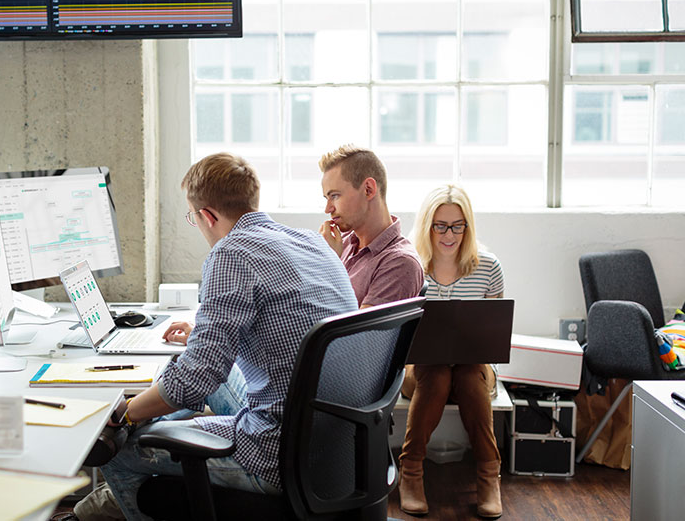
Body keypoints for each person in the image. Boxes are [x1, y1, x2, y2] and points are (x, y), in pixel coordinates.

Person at [74, 152, 358, 521]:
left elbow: (195, 379)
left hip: (278, 454)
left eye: (193, 218)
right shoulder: (310, 241)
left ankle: (107, 496)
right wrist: (202, 340)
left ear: (207, 215)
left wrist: (125, 414)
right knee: (173, 398)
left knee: (118, 450)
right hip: (338, 446)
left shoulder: (230, 254)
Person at [398, 184, 505, 518]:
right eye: (440, 226)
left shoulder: (488, 267)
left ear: (467, 226)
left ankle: (489, 476)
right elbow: (399, 333)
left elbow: (493, 333)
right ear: (427, 226)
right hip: (423, 370)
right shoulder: (411, 266)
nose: (449, 235)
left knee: (469, 376)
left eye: (457, 226)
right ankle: (411, 473)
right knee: (437, 373)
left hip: (474, 368)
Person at [317, 144, 424, 308]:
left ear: (368, 189)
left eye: (335, 196)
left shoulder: (401, 263)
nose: (328, 209)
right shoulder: (341, 243)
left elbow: (358, 326)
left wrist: (330, 263)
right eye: (327, 198)